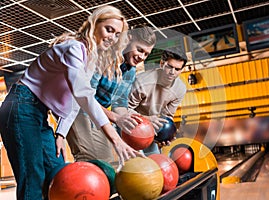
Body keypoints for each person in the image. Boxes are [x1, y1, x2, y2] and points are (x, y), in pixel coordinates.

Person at [0, 5, 140, 200]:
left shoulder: (89, 59)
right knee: (34, 176)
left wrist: (61, 133)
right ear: (94, 25)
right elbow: (83, 95)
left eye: (117, 34)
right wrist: (115, 139)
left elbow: (75, 100)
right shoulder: (74, 48)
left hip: (38, 113)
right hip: (21, 106)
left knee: (59, 174)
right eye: (109, 29)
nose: (112, 37)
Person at [66, 26, 156, 162]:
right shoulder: (104, 56)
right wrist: (116, 118)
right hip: (76, 107)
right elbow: (85, 97)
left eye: (146, 54)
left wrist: (133, 122)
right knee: (90, 158)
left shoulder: (130, 71)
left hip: (97, 114)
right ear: (129, 40)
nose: (141, 57)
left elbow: (119, 103)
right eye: (140, 50)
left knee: (106, 161)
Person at [126, 47, 188, 155]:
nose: (172, 72)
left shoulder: (180, 89)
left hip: (151, 125)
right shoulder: (142, 82)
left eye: (177, 69)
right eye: (169, 67)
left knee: (155, 159)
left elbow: (167, 116)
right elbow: (124, 110)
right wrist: (148, 120)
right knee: (136, 161)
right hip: (128, 124)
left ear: (181, 70)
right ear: (161, 63)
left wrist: (167, 134)